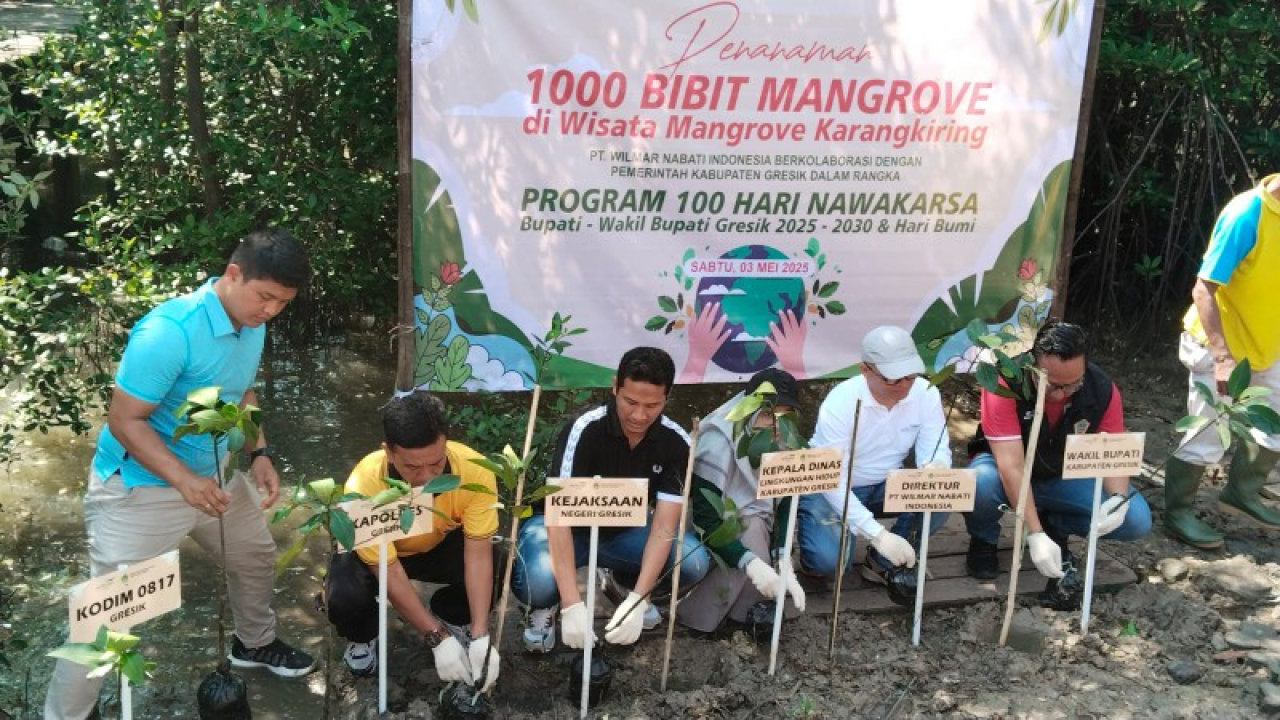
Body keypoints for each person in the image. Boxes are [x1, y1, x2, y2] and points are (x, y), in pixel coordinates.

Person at [45, 229, 315, 720]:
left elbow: (242, 393)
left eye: (282, 303)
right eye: (266, 297)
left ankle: (253, 644)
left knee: (255, 553)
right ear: (233, 275)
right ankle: (66, 715)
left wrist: (260, 453)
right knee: (103, 619)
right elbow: (124, 421)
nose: (271, 311)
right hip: (139, 488)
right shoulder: (169, 331)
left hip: (212, 475)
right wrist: (183, 482)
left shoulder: (253, 322)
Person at [512, 347, 711, 652]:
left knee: (693, 561)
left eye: (652, 405)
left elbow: (662, 528)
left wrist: (639, 598)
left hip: (623, 532)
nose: (639, 415)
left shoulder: (676, 443)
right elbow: (558, 517)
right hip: (565, 530)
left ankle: (625, 588)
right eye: (630, 401)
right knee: (537, 580)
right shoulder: (584, 429)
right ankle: (546, 608)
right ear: (615, 386)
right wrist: (571, 603)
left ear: (667, 398)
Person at [964, 322, 1153, 609]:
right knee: (979, 482)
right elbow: (1012, 466)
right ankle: (984, 539)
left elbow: (1112, 450)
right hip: (1007, 473)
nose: (1061, 394)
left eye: (1072, 385)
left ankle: (1056, 525)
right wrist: (1034, 534)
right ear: (1033, 365)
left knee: (1135, 519)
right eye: (1051, 384)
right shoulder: (1004, 382)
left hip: (1062, 476)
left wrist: (1116, 498)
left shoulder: (1101, 389)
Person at [325, 391, 499, 690]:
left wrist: (482, 633)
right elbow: (387, 569)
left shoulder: (475, 470)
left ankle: (457, 619)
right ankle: (363, 636)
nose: (427, 477)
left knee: (499, 558)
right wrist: (435, 637)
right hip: (382, 556)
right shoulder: (364, 483)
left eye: (436, 464)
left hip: (437, 545)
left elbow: (478, 555)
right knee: (344, 593)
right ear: (389, 452)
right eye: (413, 468)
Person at [796, 326, 950, 606]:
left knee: (941, 496)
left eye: (911, 374)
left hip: (885, 484)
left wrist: (936, 467)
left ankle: (882, 562)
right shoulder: (841, 403)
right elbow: (831, 478)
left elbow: (936, 444)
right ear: (865, 370)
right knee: (828, 562)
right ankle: (816, 554)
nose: (904, 384)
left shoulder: (926, 393)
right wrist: (876, 533)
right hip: (833, 485)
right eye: (893, 378)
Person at [1165, 173, 1280, 549]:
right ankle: (1178, 512)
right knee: (1206, 432)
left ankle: (1242, 494)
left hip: (1270, 344)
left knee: (1274, 426)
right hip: (1222, 346)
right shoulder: (1247, 214)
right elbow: (1204, 288)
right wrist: (1222, 358)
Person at [677, 368, 807, 634]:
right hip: (708, 534)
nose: (775, 425)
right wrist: (750, 563)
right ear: (749, 408)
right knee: (748, 529)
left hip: (760, 529)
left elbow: (785, 509)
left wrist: (783, 560)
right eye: (768, 414)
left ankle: (744, 614)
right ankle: (698, 619)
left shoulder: (787, 441)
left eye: (784, 416)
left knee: (754, 528)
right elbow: (705, 518)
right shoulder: (718, 440)